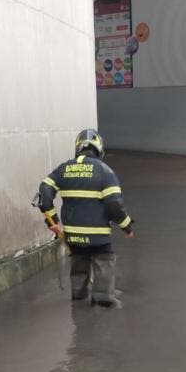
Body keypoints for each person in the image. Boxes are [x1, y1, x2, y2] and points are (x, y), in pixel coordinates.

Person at [36, 129, 134, 308]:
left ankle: (79, 297)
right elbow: (114, 204)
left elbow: (44, 191)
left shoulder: (64, 169)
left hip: (73, 235)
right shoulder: (105, 172)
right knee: (104, 261)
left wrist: (53, 221)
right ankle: (103, 300)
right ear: (99, 148)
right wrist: (127, 226)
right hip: (98, 236)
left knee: (79, 261)